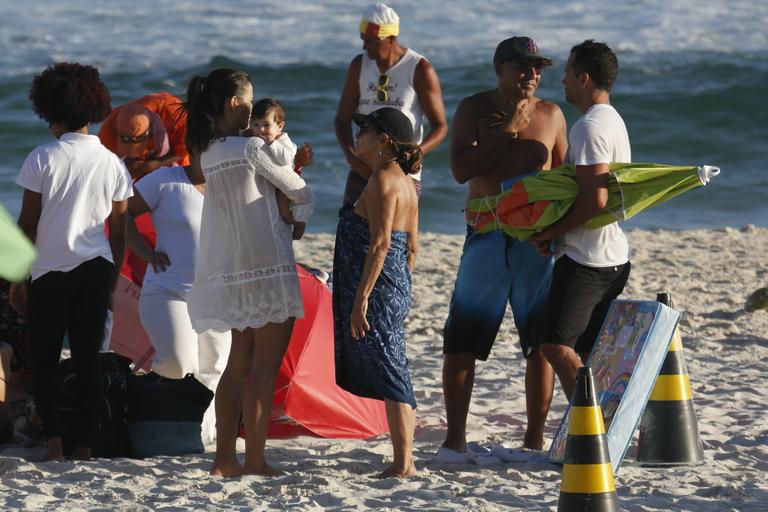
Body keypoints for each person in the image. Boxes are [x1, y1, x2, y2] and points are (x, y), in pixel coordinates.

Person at [440, 36, 568, 459]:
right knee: (461, 340)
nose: (532, 74)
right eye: (522, 67)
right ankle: (454, 440)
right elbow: (460, 170)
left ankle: (534, 438)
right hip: (486, 233)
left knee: (539, 341)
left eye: (538, 68)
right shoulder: (474, 110)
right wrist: (508, 131)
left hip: (535, 241)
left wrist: (560, 234)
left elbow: (566, 180)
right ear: (500, 70)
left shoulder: (552, 115)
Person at [182, 68, 314, 477]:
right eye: (252, 103)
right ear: (236, 105)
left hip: (234, 269)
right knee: (264, 371)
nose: (256, 111)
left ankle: (224, 459)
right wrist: (301, 214)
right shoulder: (253, 148)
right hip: (268, 266)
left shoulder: (208, 153)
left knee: (236, 366)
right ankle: (255, 460)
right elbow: (298, 190)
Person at [11, 62, 132, 461]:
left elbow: (28, 223)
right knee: (87, 360)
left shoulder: (42, 158)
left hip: (49, 271)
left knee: (45, 360)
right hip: (95, 267)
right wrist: (112, 277)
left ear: (52, 112)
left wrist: (16, 276)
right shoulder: (113, 162)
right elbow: (118, 229)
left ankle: (55, 444)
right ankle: (85, 444)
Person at [528, 40, 632, 400]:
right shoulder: (614, 120)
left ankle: (591, 427)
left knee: (555, 346)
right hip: (613, 255)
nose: (563, 83)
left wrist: (549, 232)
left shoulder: (588, 127)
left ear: (584, 78)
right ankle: (596, 428)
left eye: (569, 75)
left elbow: (595, 200)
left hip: (589, 259)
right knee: (586, 352)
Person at [333, 107, 419, 478]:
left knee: (392, 369)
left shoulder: (384, 180)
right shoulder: (405, 182)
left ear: (383, 139)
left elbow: (381, 243)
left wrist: (363, 297)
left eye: (364, 129)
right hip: (394, 284)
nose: (357, 134)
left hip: (379, 287)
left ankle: (404, 462)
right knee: (392, 365)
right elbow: (412, 247)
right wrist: (401, 287)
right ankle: (404, 459)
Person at [125, 153, 231, 445]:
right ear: (195, 148)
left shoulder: (233, 185)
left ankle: (197, 435)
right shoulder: (164, 181)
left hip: (218, 296)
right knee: (178, 362)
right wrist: (145, 253)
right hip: (167, 291)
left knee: (214, 368)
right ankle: (160, 418)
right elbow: (121, 213)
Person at [334, 2, 447, 207]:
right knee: (350, 228)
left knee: (395, 234)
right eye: (363, 40)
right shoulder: (359, 65)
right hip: (363, 167)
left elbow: (440, 126)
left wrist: (418, 151)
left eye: (371, 41)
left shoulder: (419, 68)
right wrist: (352, 158)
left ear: (391, 38)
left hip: (401, 169)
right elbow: (342, 120)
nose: (364, 47)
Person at [246, 98, 305, 240]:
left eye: (266, 125)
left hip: (286, 183)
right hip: (274, 180)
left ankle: (299, 223)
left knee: (284, 211)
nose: (261, 130)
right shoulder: (260, 136)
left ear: (279, 126)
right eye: (256, 125)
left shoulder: (283, 141)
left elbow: (286, 159)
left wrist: (272, 143)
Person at [98, 92, 189, 179]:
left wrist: (148, 166)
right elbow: (103, 168)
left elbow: (184, 151)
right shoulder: (108, 130)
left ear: (149, 132)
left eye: (136, 144)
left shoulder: (177, 116)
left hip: (172, 157)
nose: (132, 154)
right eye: (125, 141)